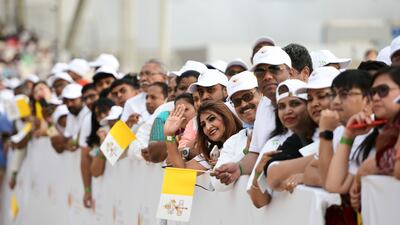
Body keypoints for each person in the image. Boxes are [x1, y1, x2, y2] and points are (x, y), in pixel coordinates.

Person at [214, 46, 293, 186]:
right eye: (260, 72)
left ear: (290, 72)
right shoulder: (264, 106)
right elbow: (255, 154)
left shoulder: (306, 101)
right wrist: (239, 168)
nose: (267, 76)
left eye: (274, 69)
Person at [345, 67, 400, 210]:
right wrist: (348, 135)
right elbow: (334, 184)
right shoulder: (388, 130)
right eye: (372, 92)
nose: (375, 98)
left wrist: (369, 166)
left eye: (383, 90)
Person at [211, 71, 262, 191]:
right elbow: (217, 184)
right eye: (237, 102)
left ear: (261, 93)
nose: (244, 104)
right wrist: (245, 153)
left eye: (248, 96)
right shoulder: (233, 141)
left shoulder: (280, 128)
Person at [165, 100, 242, 170]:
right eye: (203, 125)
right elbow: (182, 169)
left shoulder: (245, 138)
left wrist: (227, 163)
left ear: (226, 117)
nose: (208, 127)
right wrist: (169, 135)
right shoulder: (211, 154)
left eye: (212, 119)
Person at [50, 83, 90, 153]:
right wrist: (49, 123)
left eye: (72, 100)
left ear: (82, 98)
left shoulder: (88, 113)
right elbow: (59, 146)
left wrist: (72, 142)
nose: (69, 104)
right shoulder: (70, 116)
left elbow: (74, 143)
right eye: (66, 101)